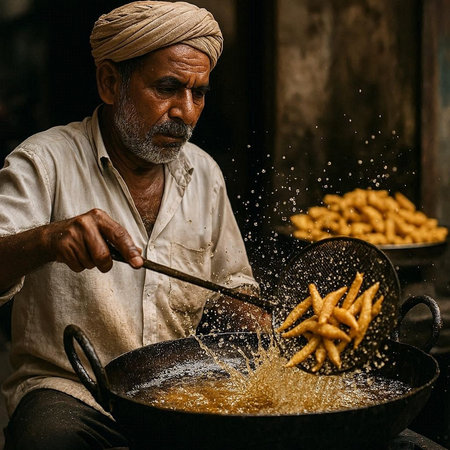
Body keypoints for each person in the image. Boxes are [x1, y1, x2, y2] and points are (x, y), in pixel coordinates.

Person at [0, 2, 270, 448]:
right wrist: (47, 239)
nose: (185, 111)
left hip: (177, 389)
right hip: (73, 390)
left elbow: (232, 282)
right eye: (167, 88)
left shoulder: (204, 174)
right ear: (110, 83)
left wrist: (254, 316)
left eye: (198, 93)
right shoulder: (43, 162)